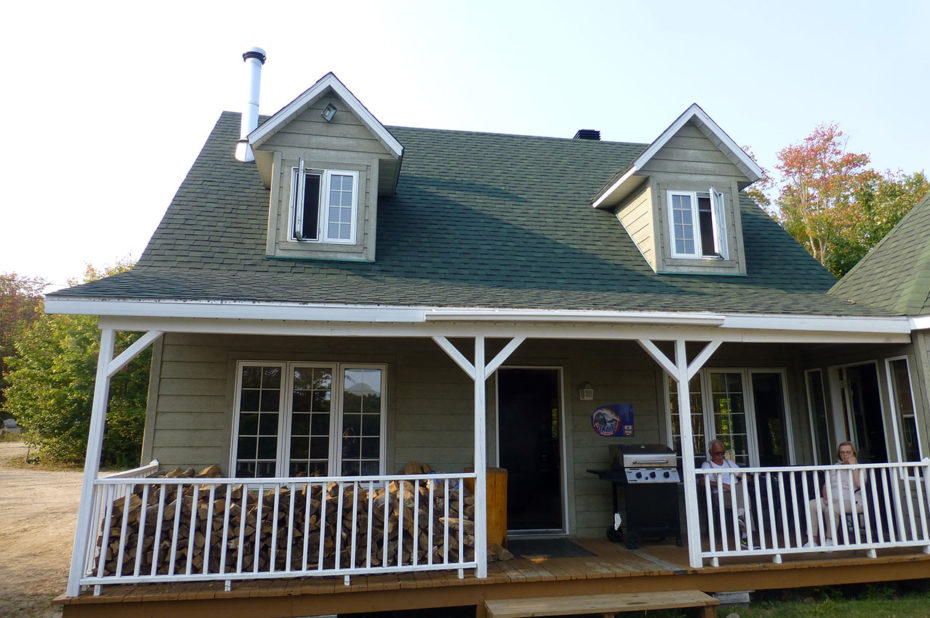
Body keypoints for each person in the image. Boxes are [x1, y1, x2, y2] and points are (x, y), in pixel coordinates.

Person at [804, 441, 862, 547]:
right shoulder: (836, 467)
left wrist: (854, 467)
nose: (845, 455)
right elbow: (826, 485)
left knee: (832, 508)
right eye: (842, 453)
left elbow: (859, 484)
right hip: (833, 498)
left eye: (848, 452)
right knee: (811, 504)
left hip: (853, 501)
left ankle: (830, 540)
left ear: (854, 453)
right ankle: (812, 540)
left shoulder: (860, 468)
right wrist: (825, 498)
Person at [701, 440, 750, 547]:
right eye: (717, 453)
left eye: (722, 453)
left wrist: (743, 480)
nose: (720, 456)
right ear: (710, 453)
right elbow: (703, 482)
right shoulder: (707, 465)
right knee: (745, 502)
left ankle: (740, 517)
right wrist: (723, 485)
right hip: (722, 495)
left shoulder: (729, 463)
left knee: (743, 495)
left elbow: (745, 476)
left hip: (737, 492)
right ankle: (745, 537)